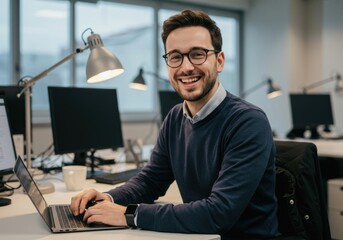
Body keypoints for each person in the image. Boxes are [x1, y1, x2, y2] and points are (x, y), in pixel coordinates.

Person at [71, 9, 280, 239]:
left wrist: (129, 214)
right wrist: (109, 198)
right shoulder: (175, 118)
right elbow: (151, 181)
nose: (186, 67)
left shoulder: (248, 122)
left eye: (198, 54)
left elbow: (218, 213)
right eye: (175, 56)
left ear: (219, 61)